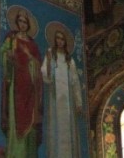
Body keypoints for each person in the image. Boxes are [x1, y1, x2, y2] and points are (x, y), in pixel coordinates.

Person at [0, 8, 43, 157]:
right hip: (16, 83)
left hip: (31, 85)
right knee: (16, 118)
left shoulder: (33, 44)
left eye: (25, 22)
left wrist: (31, 60)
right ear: (17, 22)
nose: (23, 24)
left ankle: (29, 153)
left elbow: (39, 64)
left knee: (31, 120)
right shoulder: (11, 39)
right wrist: (8, 55)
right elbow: (3, 54)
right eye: (20, 21)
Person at [41, 25, 82, 158]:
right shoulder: (50, 55)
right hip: (55, 98)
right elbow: (45, 75)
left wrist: (78, 102)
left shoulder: (70, 61)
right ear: (55, 40)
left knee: (68, 128)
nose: (59, 41)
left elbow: (75, 81)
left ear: (65, 42)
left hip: (68, 99)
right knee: (56, 126)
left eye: (62, 39)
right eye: (57, 38)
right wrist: (48, 65)